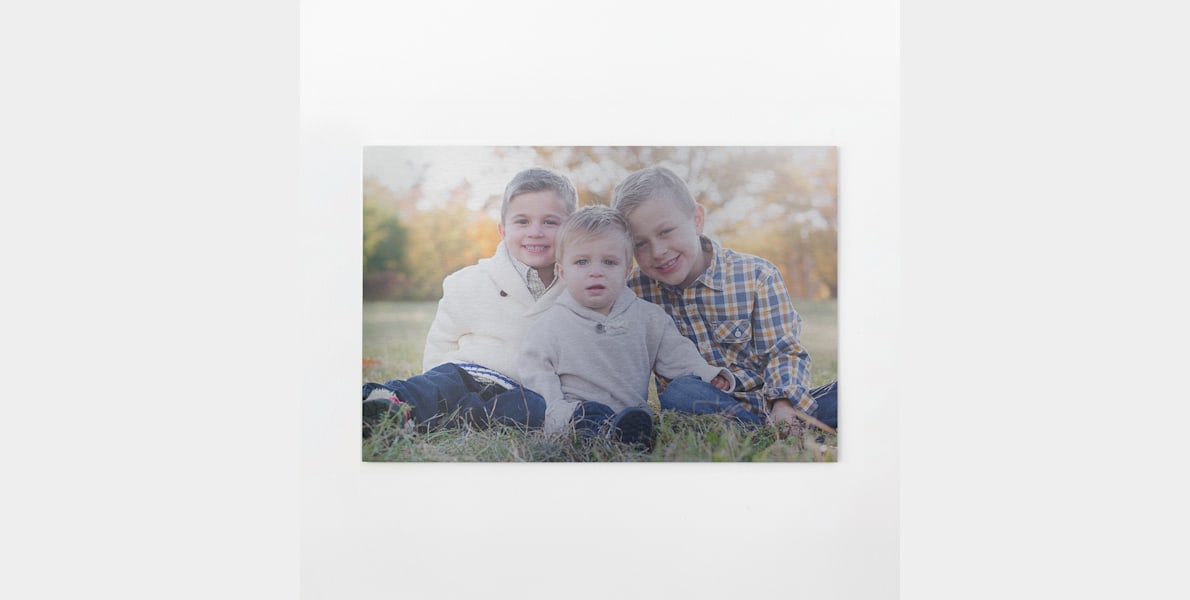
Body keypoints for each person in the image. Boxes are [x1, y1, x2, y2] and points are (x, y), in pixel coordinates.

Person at [610, 166, 838, 433]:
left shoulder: (756, 275)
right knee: (680, 392)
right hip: (703, 404)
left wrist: (784, 405)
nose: (658, 251)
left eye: (666, 231)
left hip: (773, 402)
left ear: (697, 219)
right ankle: (765, 433)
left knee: (849, 392)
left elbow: (783, 352)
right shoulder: (633, 292)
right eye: (640, 244)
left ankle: (781, 425)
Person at [362, 167, 578, 436]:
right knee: (436, 387)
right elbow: (442, 340)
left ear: (572, 228)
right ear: (503, 230)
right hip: (465, 374)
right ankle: (383, 403)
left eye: (550, 222)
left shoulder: (581, 290)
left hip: (517, 396)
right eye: (522, 221)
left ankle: (408, 420)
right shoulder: (468, 282)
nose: (535, 232)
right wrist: (432, 378)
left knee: (527, 413)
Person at [518, 205, 734, 448]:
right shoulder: (550, 325)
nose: (596, 272)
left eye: (609, 262)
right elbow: (537, 375)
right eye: (582, 262)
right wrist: (558, 414)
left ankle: (744, 425)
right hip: (580, 415)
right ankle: (602, 434)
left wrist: (707, 374)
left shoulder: (647, 317)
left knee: (685, 391)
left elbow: (677, 356)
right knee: (588, 419)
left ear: (626, 271)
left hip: (634, 416)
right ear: (562, 271)